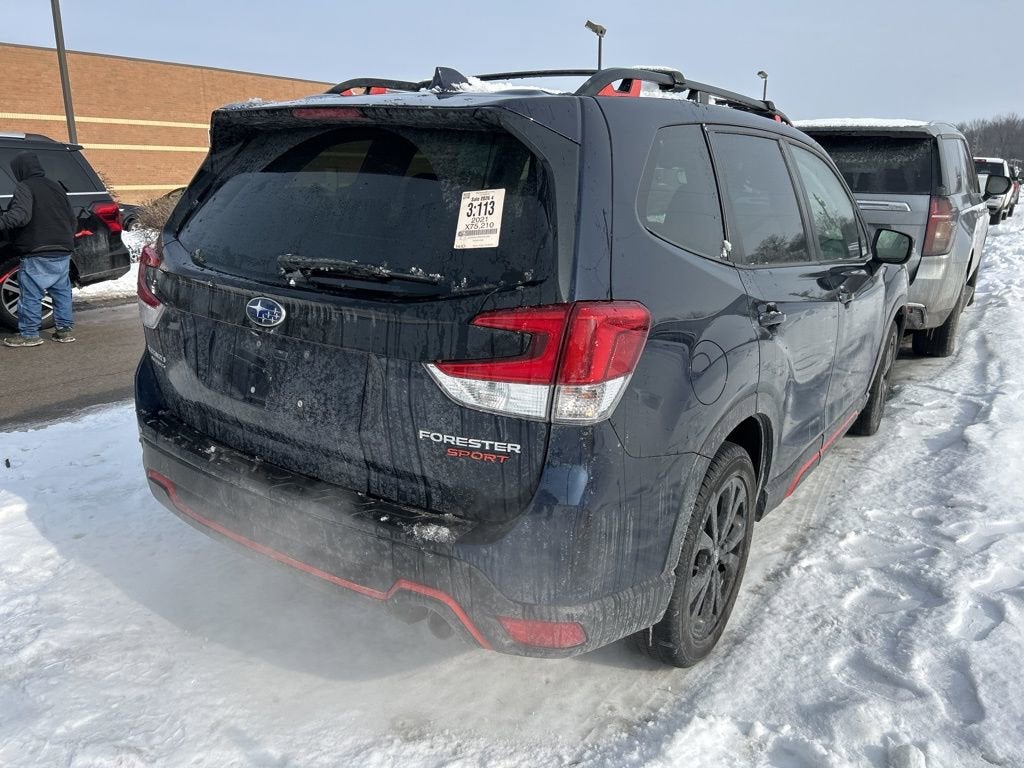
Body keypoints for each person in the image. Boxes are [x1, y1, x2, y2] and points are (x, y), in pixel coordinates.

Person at [0, 151, 77, 347]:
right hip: (62, 249)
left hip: (38, 249)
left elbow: (20, 216)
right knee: (61, 292)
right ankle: (64, 331)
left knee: (31, 293)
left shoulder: (25, 187)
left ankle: (29, 334)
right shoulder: (56, 187)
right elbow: (71, 218)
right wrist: (66, 239)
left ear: (21, 170)